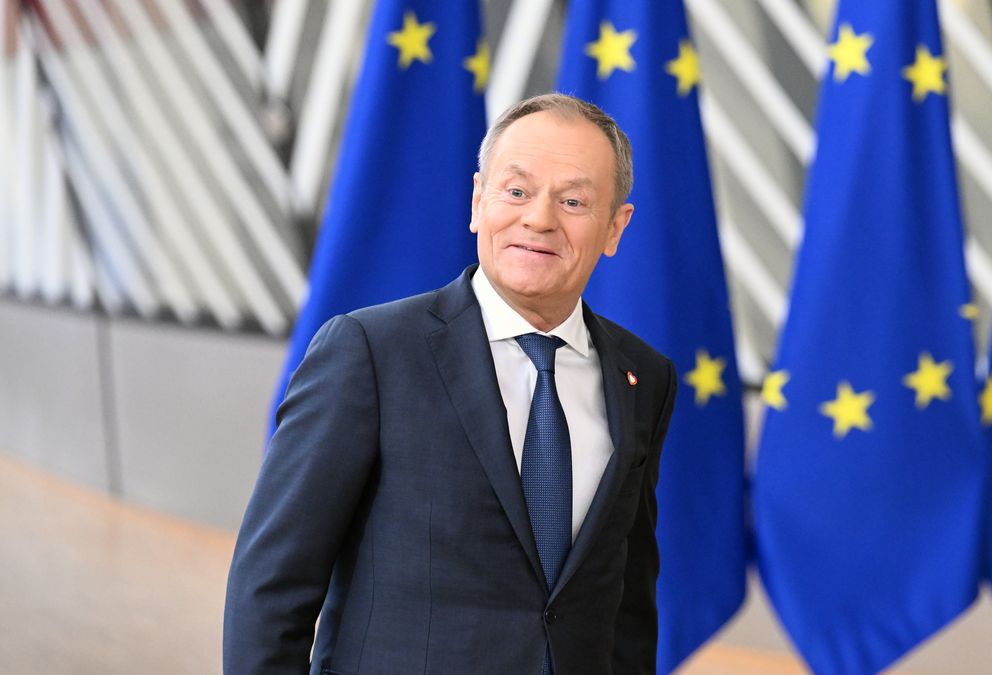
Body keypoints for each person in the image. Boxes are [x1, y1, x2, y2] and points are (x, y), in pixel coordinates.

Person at [223, 93, 677, 675]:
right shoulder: (369, 352)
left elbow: (627, 601)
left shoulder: (642, 378)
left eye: (573, 200)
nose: (539, 218)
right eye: (516, 191)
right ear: (477, 201)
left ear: (616, 226)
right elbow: (271, 585)